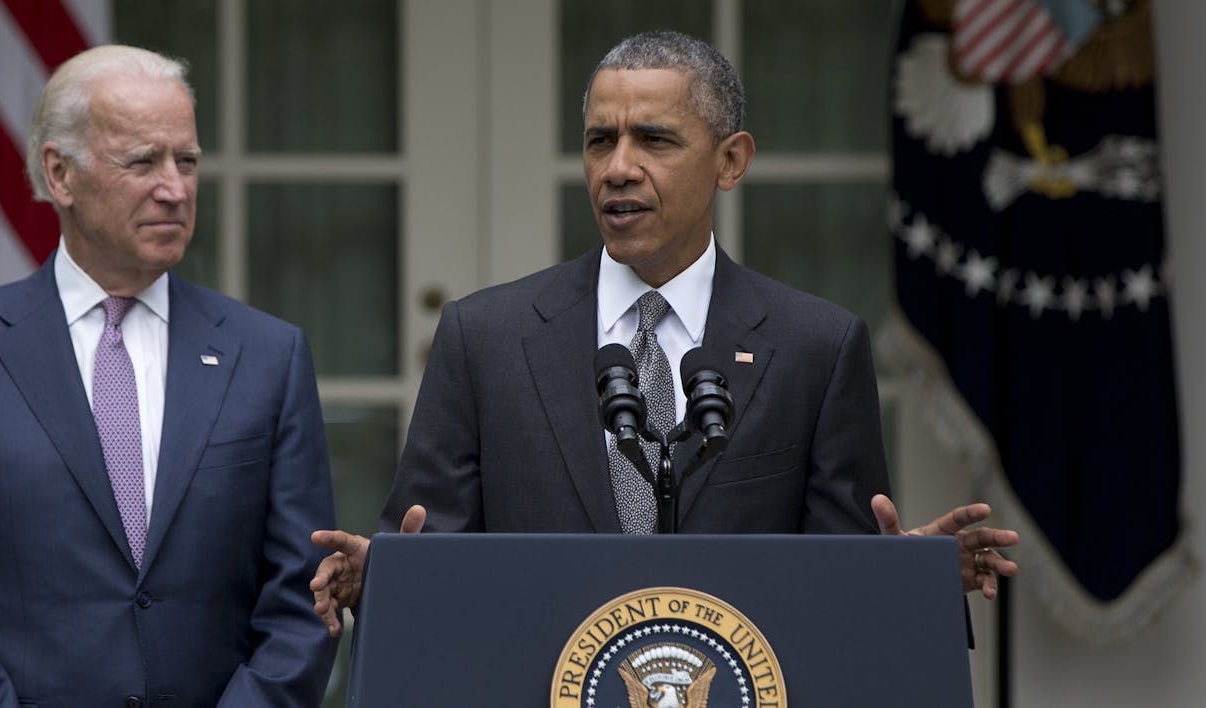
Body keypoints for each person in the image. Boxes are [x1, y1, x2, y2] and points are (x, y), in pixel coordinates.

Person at [310, 31, 1018, 636]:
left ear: (730, 161)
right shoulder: (484, 337)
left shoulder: (816, 348)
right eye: (599, 141)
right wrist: (386, 581)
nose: (618, 168)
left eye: (654, 139)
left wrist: (903, 577)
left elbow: (834, 590)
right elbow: (427, 558)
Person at [0, 45, 337, 707]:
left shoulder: (269, 357)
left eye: (188, 161)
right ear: (60, 175)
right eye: (143, 161)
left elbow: (301, 598)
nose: (175, 188)